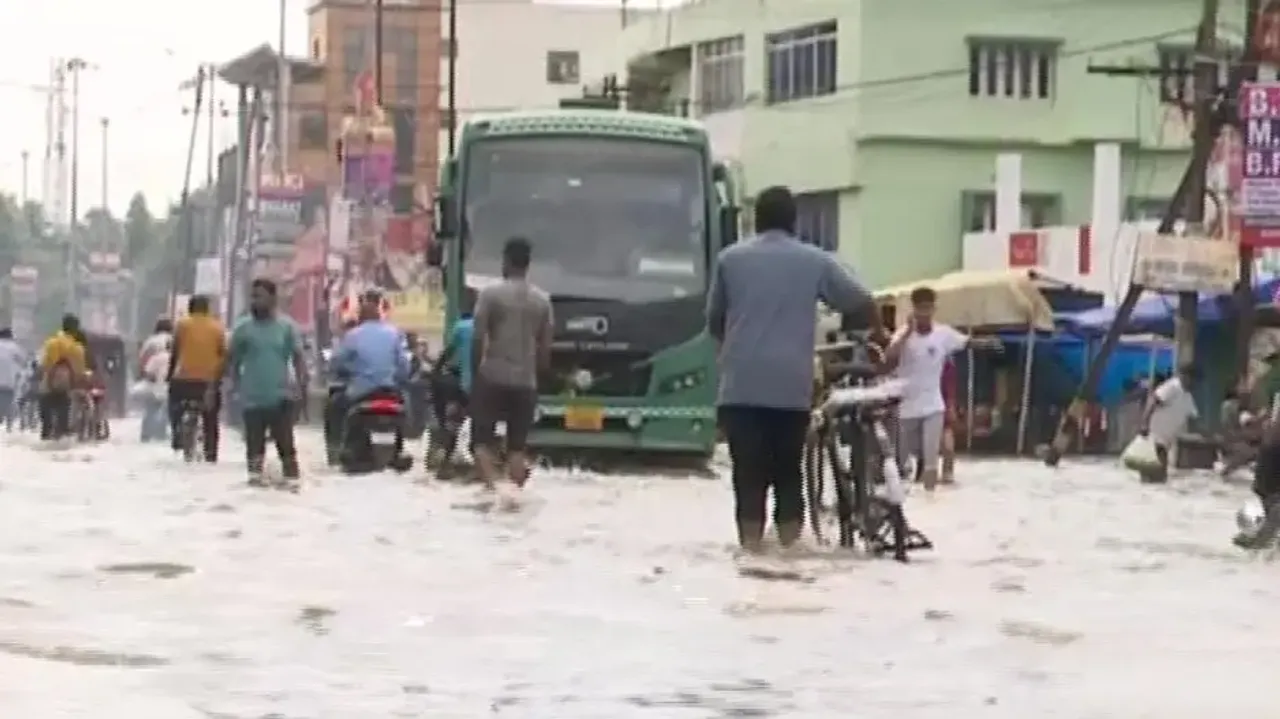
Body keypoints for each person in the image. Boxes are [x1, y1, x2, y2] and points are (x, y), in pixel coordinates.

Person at [707, 186, 878, 554]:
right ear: (793, 221)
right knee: (789, 475)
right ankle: (790, 556)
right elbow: (861, 300)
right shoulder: (814, 261)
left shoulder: (729, 260)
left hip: (741, 389)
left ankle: (750, 554)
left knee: (747, 477)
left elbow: (714, 321)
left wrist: (736, 348)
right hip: (791, 389)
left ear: (756, 220)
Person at [471, 237, 553, 497]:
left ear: (505, 261)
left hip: (492, 376)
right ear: (528, 265)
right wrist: (538, 378)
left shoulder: (490, 294)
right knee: (517, 447)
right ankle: (513, 496)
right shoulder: (543, 301)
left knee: (481, 442)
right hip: (525, 382)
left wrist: (475, 373)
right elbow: (545, 348)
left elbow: (477, 337)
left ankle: (495, 489)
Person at [883, 287, 969, 491]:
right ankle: (904, 502)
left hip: (933, 407)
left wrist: (988, 343)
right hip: (906, 408)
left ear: (933, 309)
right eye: (920, 309)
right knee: (902, 461)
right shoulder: (902, 335)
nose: (924, 313)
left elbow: (966, 342)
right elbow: (889, 356)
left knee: (931, 461)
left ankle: (930, 499)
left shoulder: (943, 334)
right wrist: (906, 333)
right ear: (913, 309)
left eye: (928, 308)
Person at [226, 279, 309, 487]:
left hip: (281, 398)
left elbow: (298, 358)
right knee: (254, 454)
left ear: (273, 298)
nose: (254, 301)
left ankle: (292, 485)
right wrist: (233, 387)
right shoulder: (243, 328)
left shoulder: (286, 327)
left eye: (259, 296)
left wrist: (300, 386)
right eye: (252, 297)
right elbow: (232, 361)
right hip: (252, 399)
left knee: (287, 450)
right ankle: (255, 487)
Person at [327, 289, 412, 468]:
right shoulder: (395, 334)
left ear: (360, 315)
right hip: (391, 393)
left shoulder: (352, 336)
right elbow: (404, 367)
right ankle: (400, 447)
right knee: (405, 408)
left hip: (361, 394)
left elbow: (336, 363)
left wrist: (344, 371)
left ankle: (335, 452)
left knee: (333, 407)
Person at [168, 295, 226, 462]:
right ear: (207, 309)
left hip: (183, 381)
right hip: (208, 383)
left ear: (190, 308)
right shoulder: (217, 327)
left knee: (174, 404)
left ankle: (177, 433)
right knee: (211, 419)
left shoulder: (182, 325)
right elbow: (223, 355)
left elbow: (175, 353)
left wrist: (170, 375)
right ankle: (211, 453)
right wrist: (219, 378)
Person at [427, 292, 475, 470]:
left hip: (466, 388)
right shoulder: (493, 327)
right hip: (491, 388)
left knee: (440, 393)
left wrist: (435, 371)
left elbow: (447, 353)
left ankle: (442, 431)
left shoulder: (462, 327)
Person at [1138, 364, 1200, 484]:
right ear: (1185, 377)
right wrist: (1144, 423)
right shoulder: (1172, 386)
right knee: (1156, 475)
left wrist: (1206, 435)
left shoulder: (1187, 396)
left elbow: (1194, 418)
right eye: (1193, 379)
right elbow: (1153, 401)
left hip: (1166, 442)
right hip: (1155, 437)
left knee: (1158, 478)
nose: (1195, 384)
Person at [38, 314, 88, 440]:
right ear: (75, 329)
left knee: (46, 424)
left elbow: (43, 366)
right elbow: (80, 373)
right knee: (63, 421)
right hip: (66, 389)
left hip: (47, 387)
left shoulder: (51, 342)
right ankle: (61, 435)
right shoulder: (78, 348)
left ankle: (46, 435)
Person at [139, 334, 172, 442]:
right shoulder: (177, 359)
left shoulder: (156, 357)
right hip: (170, 390)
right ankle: (161, 434)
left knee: (150, 411)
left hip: (156, 389)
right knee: (165, 413)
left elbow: (148, 373)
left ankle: (145, 435)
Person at [0, 328, 24, 427]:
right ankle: (7, 424)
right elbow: (23, 361)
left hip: (7, 382)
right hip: (8, 383)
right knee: (6, 406)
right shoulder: (14, 347)